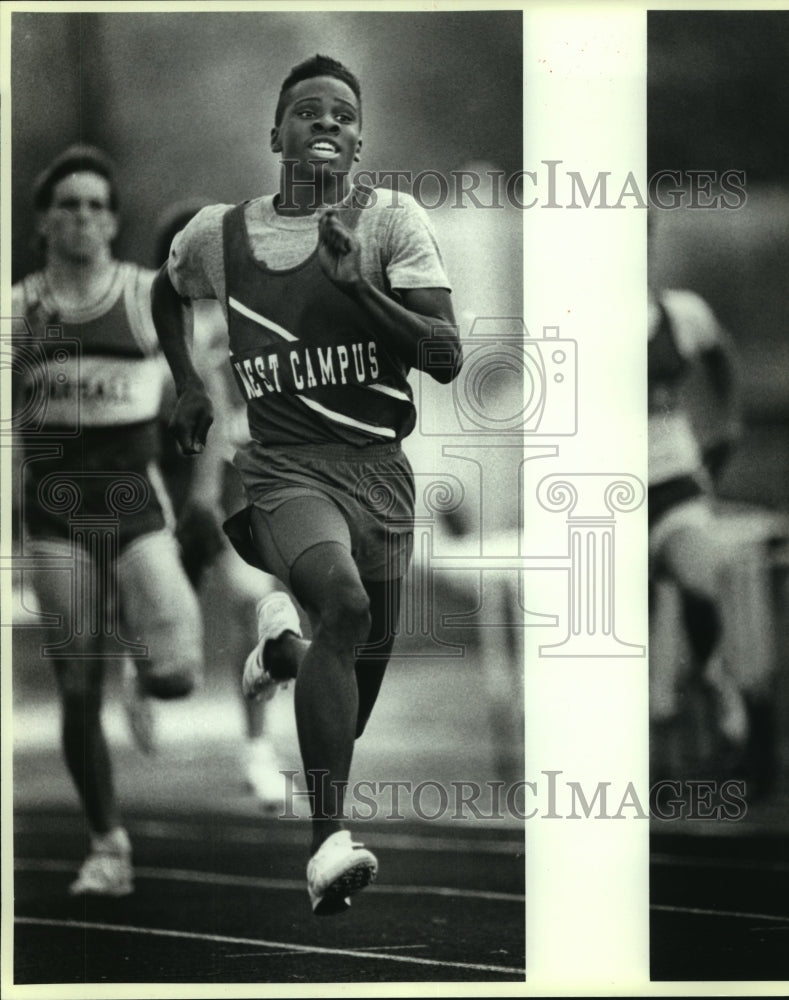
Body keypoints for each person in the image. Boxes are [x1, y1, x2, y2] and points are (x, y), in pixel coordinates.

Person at [151, 55, 462, 915]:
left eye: (341, 114)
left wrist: (356, 287)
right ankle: (327, 843)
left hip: (379, 477)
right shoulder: (221, 234)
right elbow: (164, 289)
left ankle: (281, 656)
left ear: (359, 140)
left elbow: (443, 357)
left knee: (344, 709)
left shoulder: (391, 220)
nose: (324, 122)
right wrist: (185, 382)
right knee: (346, 607)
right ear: (276, 135)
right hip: (285, 472)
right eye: (306, 111)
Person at [12, 145, 203, 896]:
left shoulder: (147, 295)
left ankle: (143, 672)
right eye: (68, 204)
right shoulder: (19, 307)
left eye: (96, 204)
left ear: (115, 221)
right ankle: (107, 844)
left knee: (181, 676)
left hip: (137, 507)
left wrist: (204, 490)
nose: (82, 216)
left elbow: (201, 387)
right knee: (75, 683)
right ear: (43, 221)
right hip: (56, 514)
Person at [153, 203, 291, 807]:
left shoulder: (239, 327)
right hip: (157, 498)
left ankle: (258, 748)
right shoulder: (143, 329)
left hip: (222, 494)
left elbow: (238, 418)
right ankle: (140, 678)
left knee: (253, 606)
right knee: (165, 634)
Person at [647, 280, 746, 777]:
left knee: (699, 581)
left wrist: (727, 426)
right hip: (605, 493)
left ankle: (715, 679)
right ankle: (655, 741)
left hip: (673, 481)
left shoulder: (682, 312)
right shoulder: (584, 317)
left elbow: (721, 357)